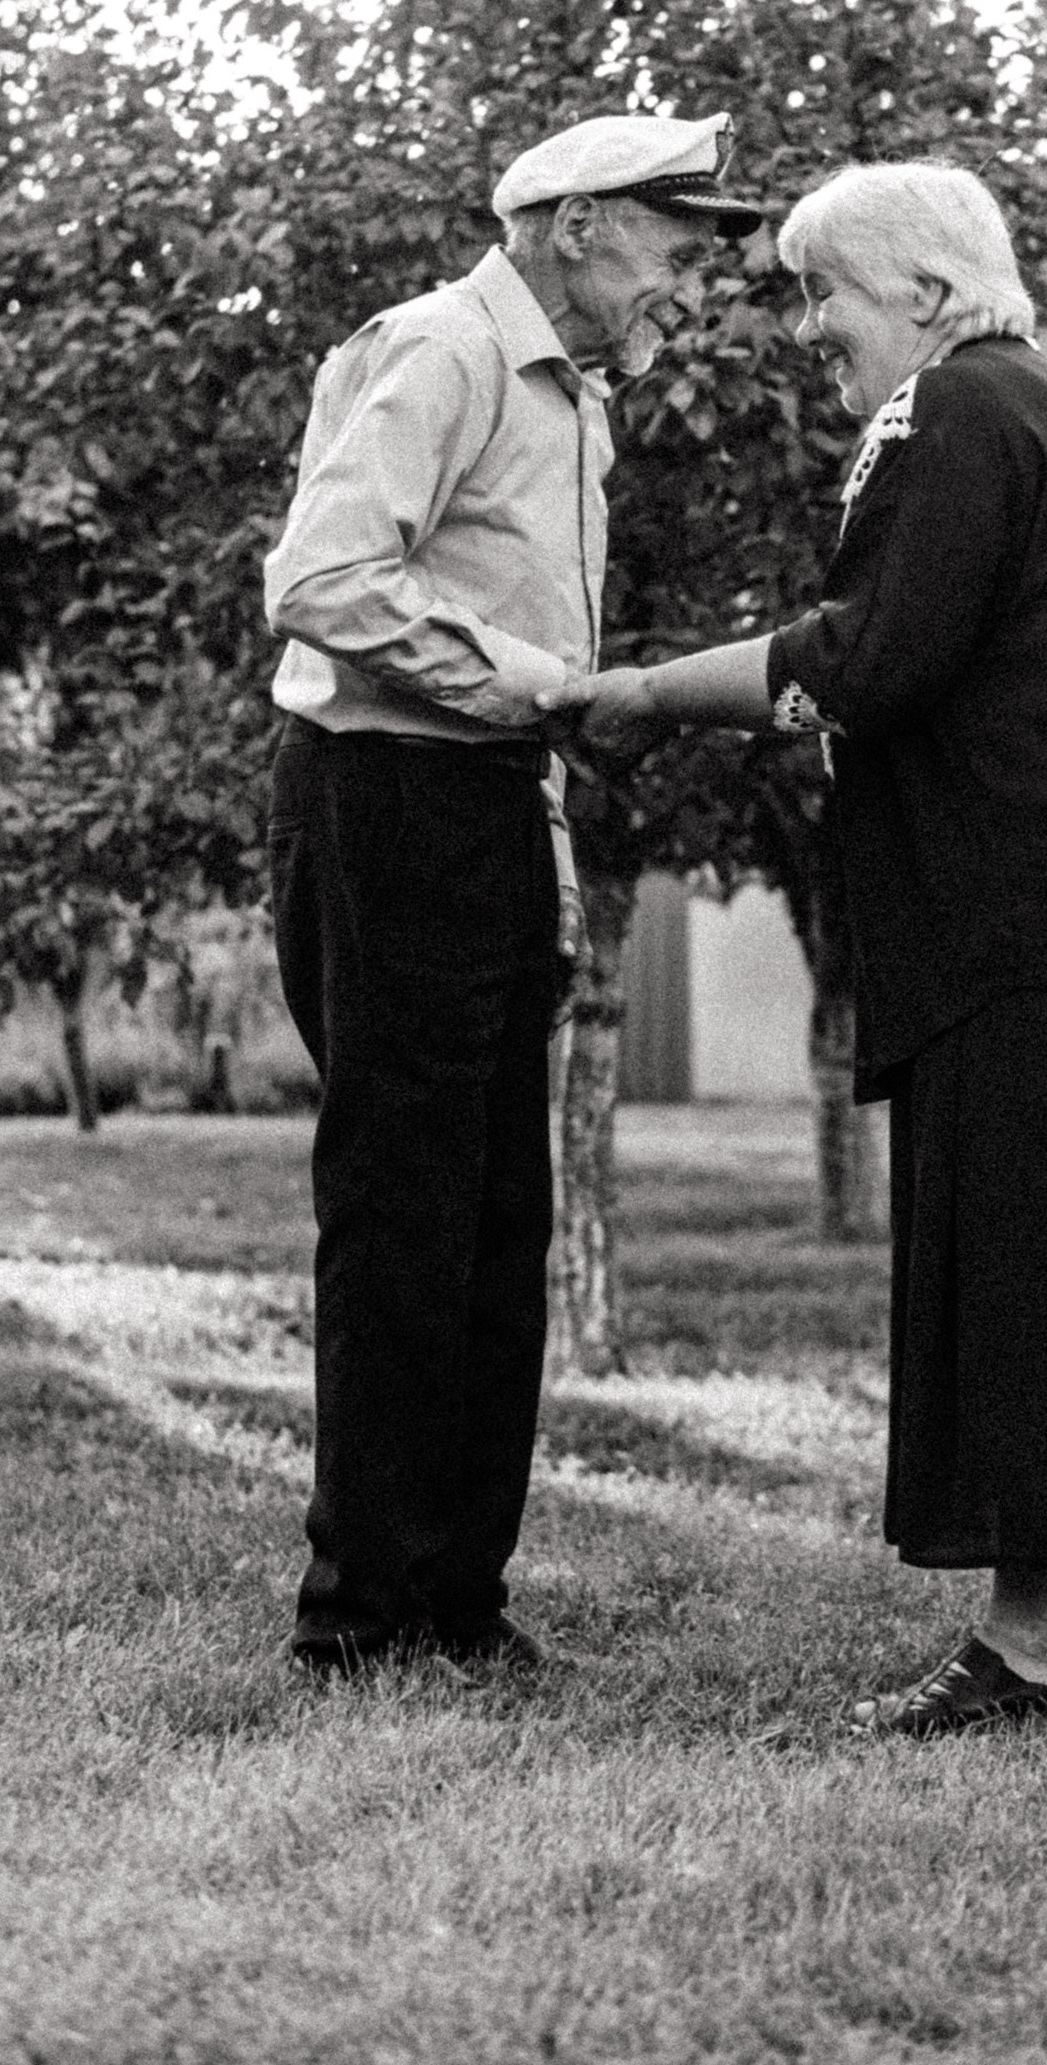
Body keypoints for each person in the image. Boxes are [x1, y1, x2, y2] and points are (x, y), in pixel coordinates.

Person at [555, 160, 1047, 1733]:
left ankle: (1042, 1644)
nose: (805, 330)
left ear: (921, 292)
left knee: (1043, 1259)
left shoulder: (952, 413)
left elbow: (873, 655)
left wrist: (643, 693)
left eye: (818, 290)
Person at [263, 111, 762, 1673]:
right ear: (576, 227)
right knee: (404, 1216)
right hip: (387, 803)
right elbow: (325, 579)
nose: (687, 289)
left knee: (495, 1221)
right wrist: (539, 685)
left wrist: (533, 741)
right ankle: (360, 1620)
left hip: (483, 804)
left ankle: (458, 1605)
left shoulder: (574, 396)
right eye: (675, 253)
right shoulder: (444, 350)